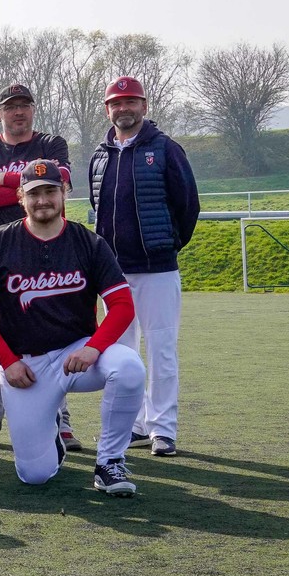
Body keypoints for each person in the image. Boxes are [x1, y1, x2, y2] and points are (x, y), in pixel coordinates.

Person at [0, 160, 145, 496]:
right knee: (35, 474)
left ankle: (109, 462)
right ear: (20, 197)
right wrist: (7, 361)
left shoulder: (88, 243)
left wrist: (94, 347)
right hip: (24, 366)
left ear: (65, 193)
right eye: (34, 193)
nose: (42, 200)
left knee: (129, 368)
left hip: (78, 352)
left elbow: (122, 306)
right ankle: (52, 436)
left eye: (50, 191)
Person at [88, 76, 200, 457]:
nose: (124, 108)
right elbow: (98, 211)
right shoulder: (100, 155)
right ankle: (134, 425)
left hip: (157, 269)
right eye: (117, 103)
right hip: (114, 273)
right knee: (121, 353)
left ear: (144, 106)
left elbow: (187, 208)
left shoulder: (166, 149)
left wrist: (164, 246)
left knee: (161, 349)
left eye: (131, 101)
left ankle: (163, 428)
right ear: (108, 109)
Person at [0, 83, 75, 452]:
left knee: (53, 338)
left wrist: (3, 180)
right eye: (11, 107)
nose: (18, 112)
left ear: (33, 110)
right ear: (0, 114)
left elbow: (64, 182)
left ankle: (60, 420)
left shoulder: (52, 143)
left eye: (25, 105)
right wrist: (33, 184)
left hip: (48, 251)